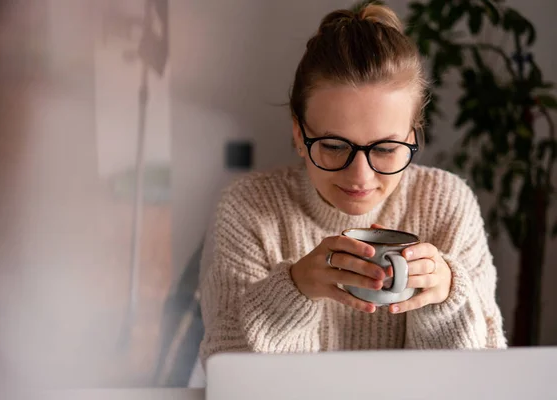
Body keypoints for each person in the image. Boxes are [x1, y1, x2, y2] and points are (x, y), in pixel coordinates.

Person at [198, 3, 507, 366]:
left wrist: (447, 298)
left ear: (413, 136)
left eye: (387, 148)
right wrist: (294, 289)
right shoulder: (248, 208)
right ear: (299, 134)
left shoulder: (446, 204)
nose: (360, 176)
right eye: (333, 146)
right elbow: (226, 373)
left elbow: (482, 378)